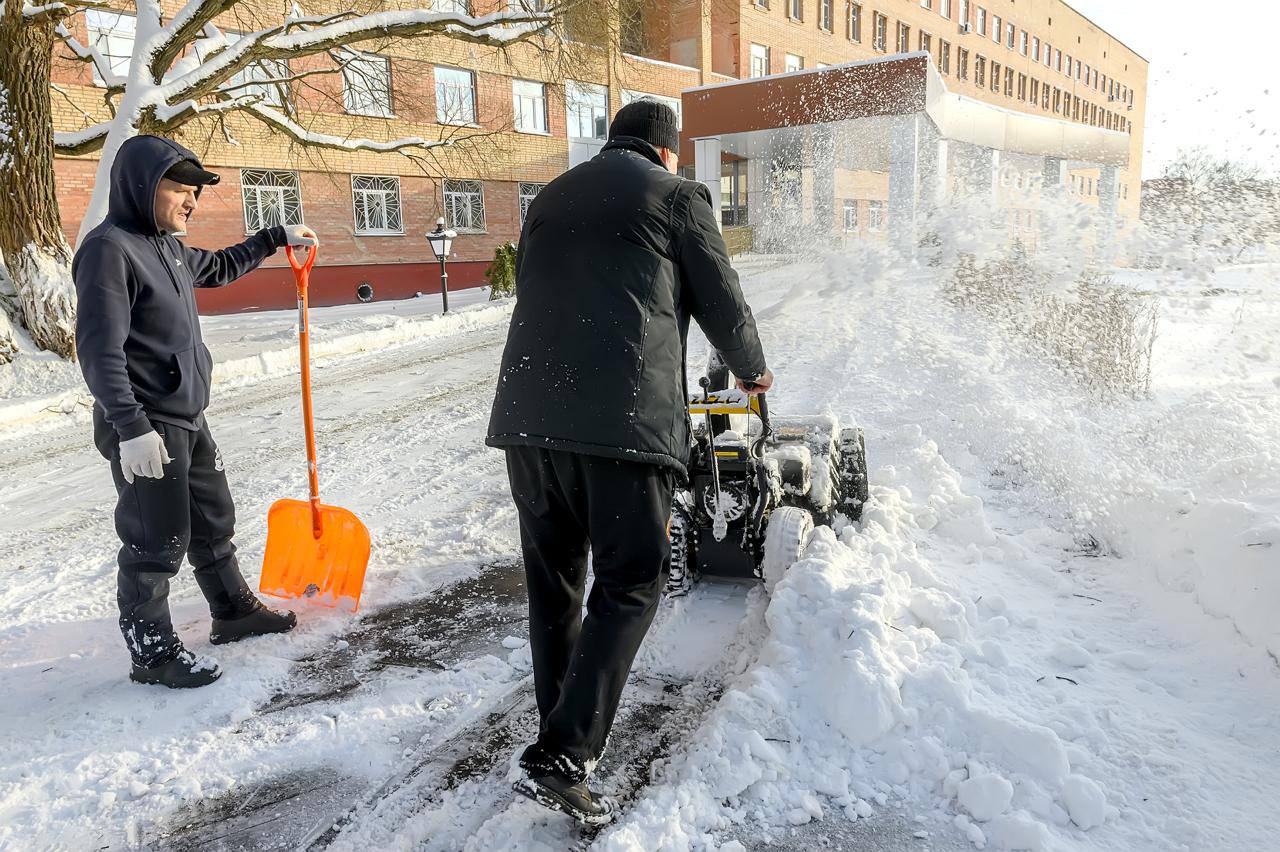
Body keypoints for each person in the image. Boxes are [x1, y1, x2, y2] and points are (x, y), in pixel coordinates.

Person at [486, 100, 773, 824]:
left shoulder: (551, 196)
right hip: (623, 425)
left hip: (528, 424)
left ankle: (560, 727)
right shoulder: (677, 196)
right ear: (666, 151)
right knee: (633, 579)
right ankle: (562, 754)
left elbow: (544, 291)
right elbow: (721, 299)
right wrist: (752, 370)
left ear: (613, 141)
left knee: (554, 584)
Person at [73, 135, 318, 689]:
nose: (191, 201)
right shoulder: (109, 250)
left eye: (195, 192)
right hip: (145, 422)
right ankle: (152, 653)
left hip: (186, 414)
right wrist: (131, 428)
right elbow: (98, 350)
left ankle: (232, 612)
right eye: (179, 189)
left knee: (212, 519)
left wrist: (273, 238)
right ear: (141, 187)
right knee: (155, 540)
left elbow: (220, 267)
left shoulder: (167, 246)